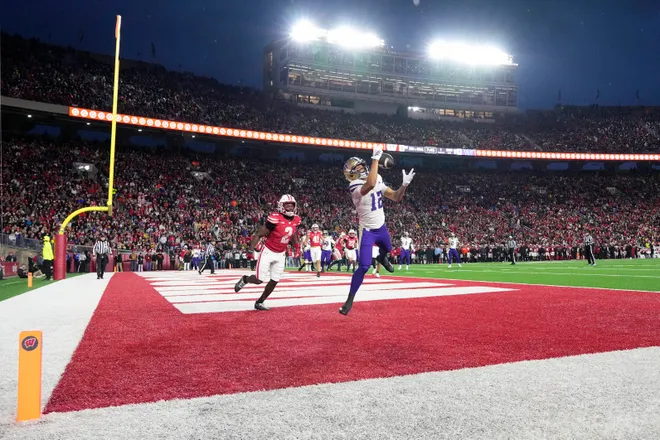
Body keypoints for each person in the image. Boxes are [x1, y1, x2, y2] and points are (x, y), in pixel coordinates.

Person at [338, 146, 415, 316]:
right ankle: (349, 299)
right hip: (367, 230)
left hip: (381, 226)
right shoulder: (354, 186)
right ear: (352, 174)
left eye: (362, 165)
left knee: (388, 249)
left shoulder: (377, 177)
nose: (362, 168)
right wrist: (375, 158)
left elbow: (395, 197)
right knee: (364, 266)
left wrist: (404, 185)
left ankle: (382, 257)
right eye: (358, 168)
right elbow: (370, 183)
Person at [234, 194, 301, 311]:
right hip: (268, 251)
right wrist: (250, 250)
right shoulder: (275, 218)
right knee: (259, 279)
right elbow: (259, 234)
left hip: (281, 254)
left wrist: (297, 247)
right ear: (281, 206)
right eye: (287, 205)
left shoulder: (296, 219)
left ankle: (259, 302)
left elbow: (294, 233)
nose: (290, 207)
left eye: (292, 205)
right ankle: (245, 279)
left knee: (275, 280)